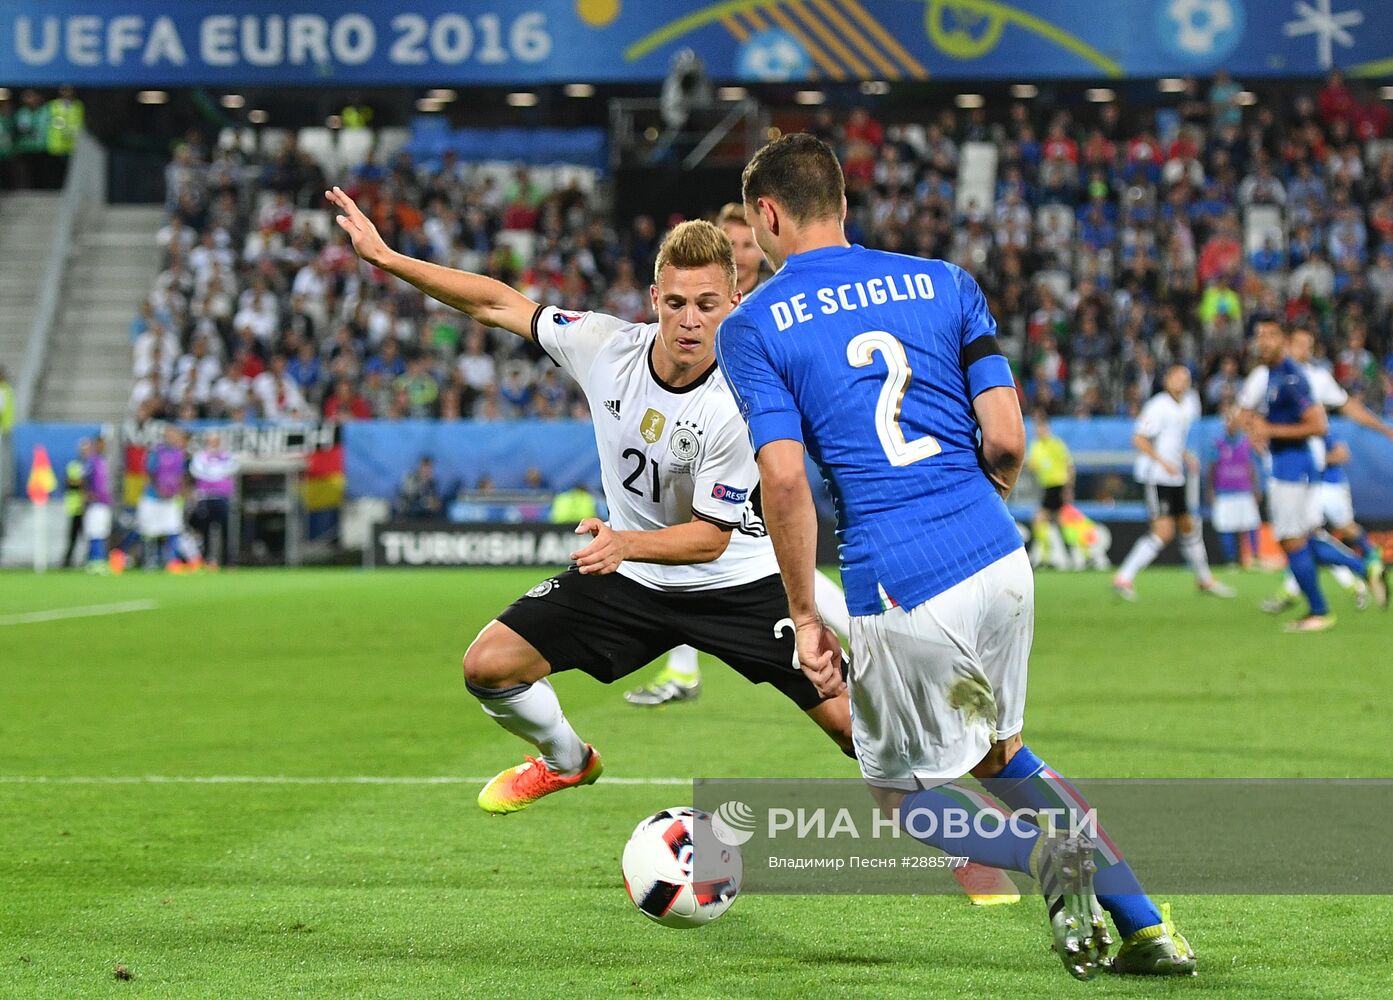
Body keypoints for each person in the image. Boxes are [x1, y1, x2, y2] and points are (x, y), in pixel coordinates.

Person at [717, 133, 1194, 979]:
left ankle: (1049, 862)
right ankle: (1149, 926)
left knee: (901, 795)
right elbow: (1004, 436)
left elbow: (784, 481)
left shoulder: (753, 324)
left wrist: (802, 611)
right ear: (844, 204)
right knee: (1003, 754)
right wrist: (980, 512)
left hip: (898, 576)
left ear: (767, 215)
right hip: (996, 551)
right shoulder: (944, 282)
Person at [325, 186, 859, 813]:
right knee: (488, 665)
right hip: (631, 576)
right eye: (678, 303)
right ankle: (567, 760)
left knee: (858, 733)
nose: (691, 321)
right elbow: (499, 303)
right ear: (654, 299)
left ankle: (974, 831)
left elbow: (709, 537)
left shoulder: (743, 398)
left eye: (708, 305)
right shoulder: (606, 345)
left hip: (734, 582)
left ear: (734, 301)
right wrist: (389, 259)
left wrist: (621, 542)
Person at [624, 202, 853, 709]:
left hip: (771, 455)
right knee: (700, 545)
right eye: (731, 246)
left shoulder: (773, 307)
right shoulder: (710, 310)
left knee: (769, 558)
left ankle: (870, 649)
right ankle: (686, 668)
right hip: (728, 457)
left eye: (747, 243)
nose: (741, 252)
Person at [1239, 325, 1391, 611]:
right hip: (1289, 464)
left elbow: (1347, 409)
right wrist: (1253, 432)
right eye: (1299, 343)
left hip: (1302, 467)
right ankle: (1363, 569)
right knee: (1306, 536)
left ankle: (1319, 603)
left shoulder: (1311, 378)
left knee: (1295, 537)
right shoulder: (1265, 375)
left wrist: (1383, 428)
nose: (1304, 350)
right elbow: (1244, 413)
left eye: (1309, 345)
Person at [1112, 366, 1234, 601]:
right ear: (1167, 380)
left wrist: (1185, 456)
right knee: (1163, 532)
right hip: (1156, 476)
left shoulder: (1190, 403)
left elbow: (1174, 439)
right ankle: (1124, 576)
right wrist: (1163, 461)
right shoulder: (1158, 406)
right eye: (1177, 377)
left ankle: (1204, 579)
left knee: (1188, 526)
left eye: (1186, 378)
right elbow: (1138, 438)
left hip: (1175, 475)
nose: (1182, 382)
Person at [1207, 403, 1262, 569]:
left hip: (1244, 489)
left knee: (1251, 523)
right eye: (1228, 419)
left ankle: (1254, 557)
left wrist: (1256, 488)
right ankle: (1230, 560)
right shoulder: (1217, 443)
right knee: (1225, 525)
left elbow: (1251, 467)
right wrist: (1210, 489)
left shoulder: (1246, 442)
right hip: (1224, 491)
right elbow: (1212, 467)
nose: (1230, 423)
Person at [1024, 409, 1075, 570]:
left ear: (1046, 428)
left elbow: (1069, 465)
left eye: (1040, 427)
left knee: (1041, 519)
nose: (1037, 431)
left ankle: (1047, 555)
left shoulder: (1055, 444)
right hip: (1047, 487)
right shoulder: (1036, 445)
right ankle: (1072, 554)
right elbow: (1033, 466)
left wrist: (1068, 488)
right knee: (1059, 521)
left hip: (1058, 485)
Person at [139, 425, 188, 569]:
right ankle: (149, 560)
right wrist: (158, 489)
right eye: (171, 435)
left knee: (173, 528)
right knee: (150, 530)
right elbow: (149, 472)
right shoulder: (156, 452)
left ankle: (171, 561)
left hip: (171, 498)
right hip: (153, 497)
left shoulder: (179, 454)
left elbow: (180, 476)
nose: (174, 438)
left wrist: (180, 492)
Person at [189, 431, 237, 567]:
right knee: (204, 531)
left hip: (222, 498)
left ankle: (228, 561)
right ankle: (206, 560)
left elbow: (229, 469)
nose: (213, 443)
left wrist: (211, 474)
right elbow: (198, 470)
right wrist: (216, 474)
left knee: (226, 530)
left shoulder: (226, 456)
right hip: (205, 498)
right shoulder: (200, 456)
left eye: (215, 440)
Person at [83, 437, 113, 573]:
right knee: (95, 532)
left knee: (101, 532)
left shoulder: (102, 461)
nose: (102, 447)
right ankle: (95, 561)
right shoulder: (92, 461)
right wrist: (88, 493)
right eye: (100, 444)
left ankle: (97, 560)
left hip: (104, 502)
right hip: (95, 503)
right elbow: (84, 479)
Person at [63, 441, 88, 568]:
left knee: (87, 534)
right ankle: (67, 561)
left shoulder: (90, 464)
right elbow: (69, 482)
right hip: (76, 506)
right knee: (73, 535)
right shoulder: (74, 465)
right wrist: (82, 483)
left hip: (88, 506)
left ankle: (87, 560)